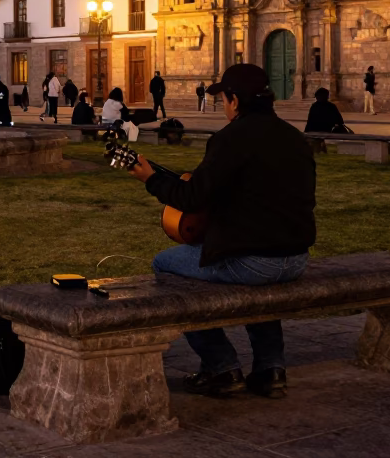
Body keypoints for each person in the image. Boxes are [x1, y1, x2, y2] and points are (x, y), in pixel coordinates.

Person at [130, 64, 315, 399]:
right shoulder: (293, 137)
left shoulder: (230, 139)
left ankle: (221, 366)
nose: (224, 107)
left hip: (255, 261)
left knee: (165, 264)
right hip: (296, 258)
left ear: (235, 101)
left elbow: (191, 197)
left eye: (225, 99)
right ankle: (271, 369)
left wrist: (150, 179)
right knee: (259, 278)